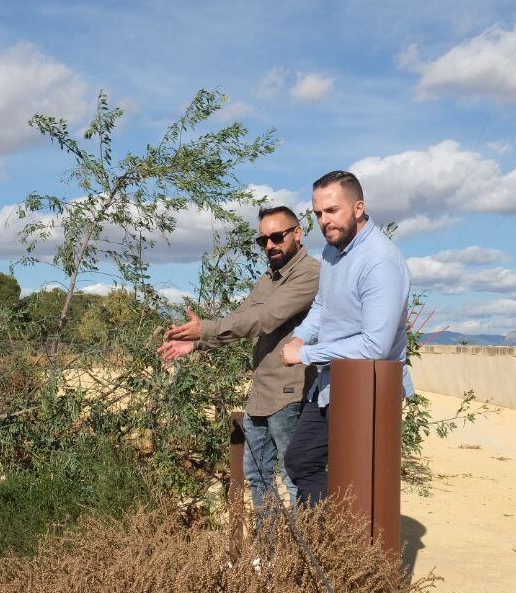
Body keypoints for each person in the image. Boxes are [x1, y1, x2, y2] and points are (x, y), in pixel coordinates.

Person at [159, 205, 320, 522]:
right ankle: (268, 552)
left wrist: (205, 328)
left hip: (289, 393)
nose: (270, 245)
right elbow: (243, 318)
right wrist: (196, 343)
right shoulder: (270, 278)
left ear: (297, 233)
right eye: (263, 241)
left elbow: (264, 318)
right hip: (263, 391)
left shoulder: (309, 274)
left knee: (294, 477)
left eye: (277, 236)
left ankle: (305, 554)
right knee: (257, 475)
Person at [281, 170, 413, 506]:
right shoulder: (332, 252)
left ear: (358, 208)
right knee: (301, 460)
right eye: (318, 214)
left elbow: (375, 345)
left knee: (359, 478)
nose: (324, 221)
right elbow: (323, 307)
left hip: (369, 390)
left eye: (332, 210)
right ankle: (328, 545)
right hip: (330, 385)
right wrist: (300, 338)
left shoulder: (379, 261)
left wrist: (307, 355)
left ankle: (345, 549)